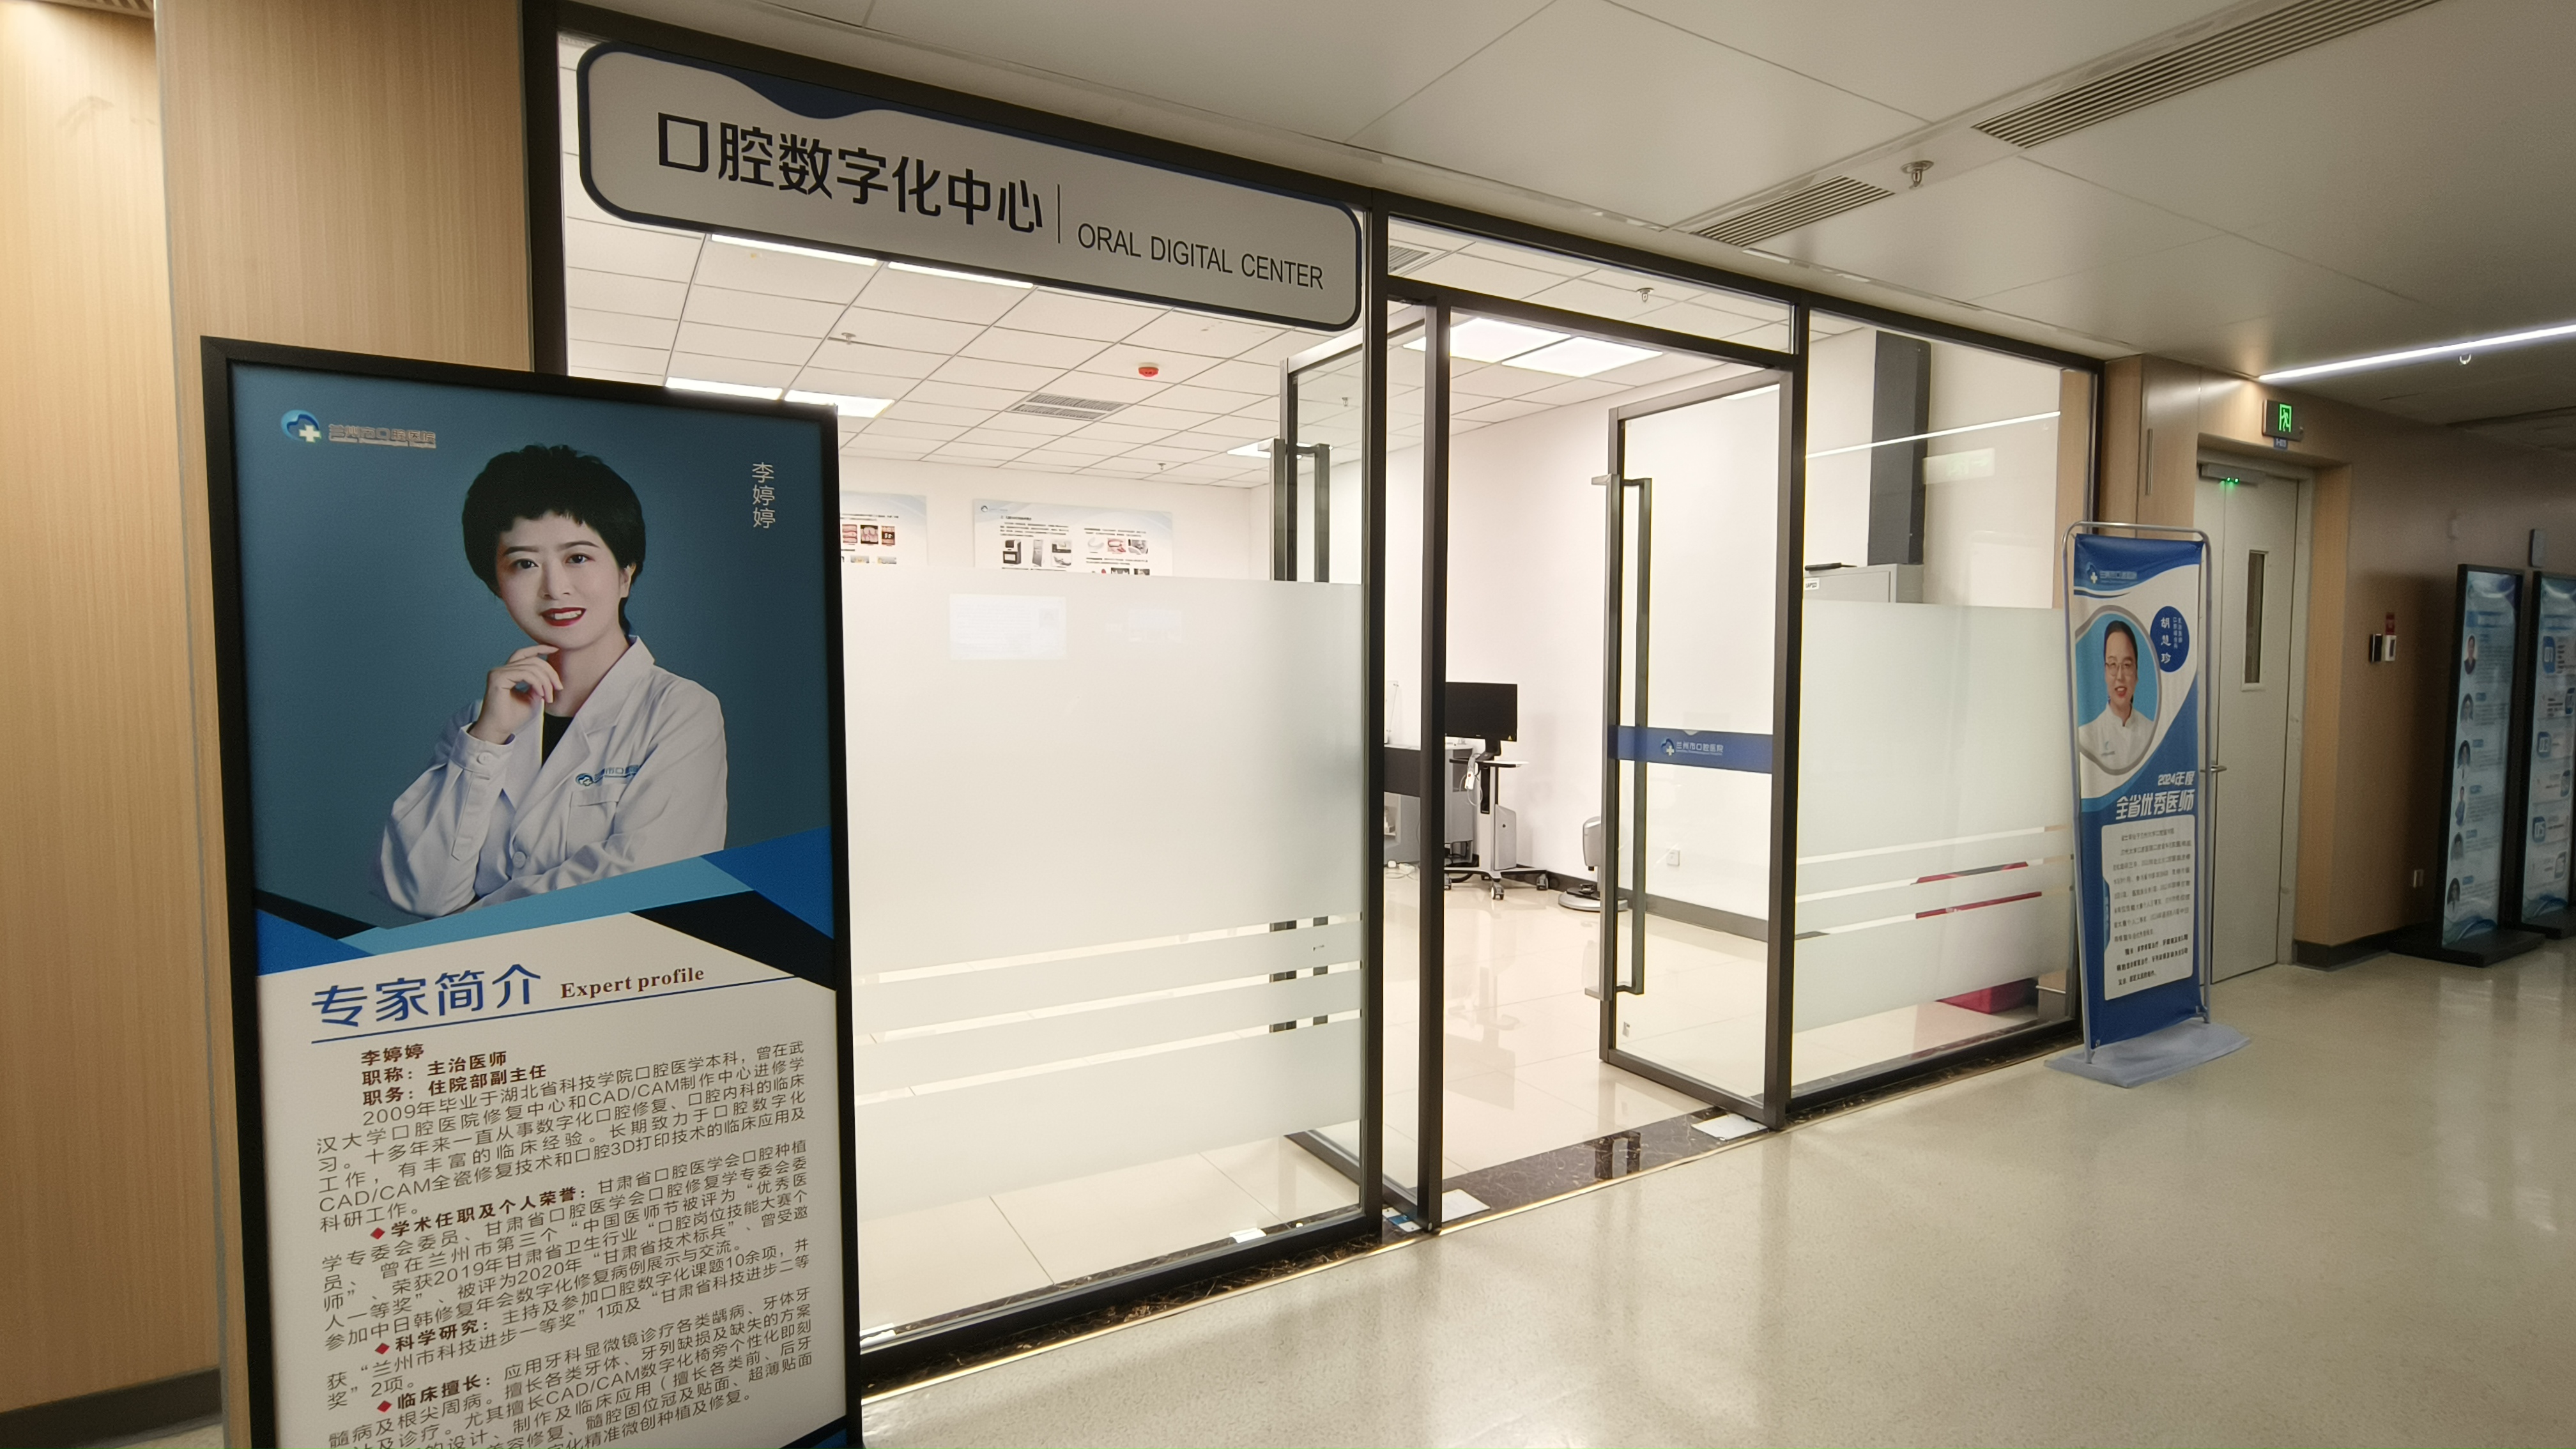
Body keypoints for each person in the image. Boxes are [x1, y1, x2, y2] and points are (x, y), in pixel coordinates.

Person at [374, 445, 727, 916]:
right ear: (496, 585)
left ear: (626, 574)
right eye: (524, 564)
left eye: (578, 557)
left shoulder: (679, 710)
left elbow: (648, 882)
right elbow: (421, 893)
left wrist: (466, 923)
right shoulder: (477, 724)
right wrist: (487, 740)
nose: (555, 588)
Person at [2078, 618, 2155, 774]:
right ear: (2105, 673)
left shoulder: (2153, 733)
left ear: (2136, 673)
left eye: (2127, 665)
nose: (2120, 676)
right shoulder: (2086, 738)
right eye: (2113, 665)